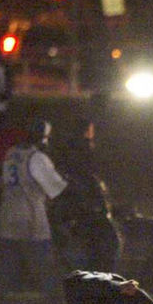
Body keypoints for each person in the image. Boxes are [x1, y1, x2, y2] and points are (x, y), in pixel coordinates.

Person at [0, 118, 69, 301]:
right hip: (31, 214)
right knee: (42, 258)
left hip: (8, 213)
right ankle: (54, 298)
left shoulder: (11, 153)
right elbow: (57, 188)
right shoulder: (37, 158)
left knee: (8, 260)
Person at [53, 116, 121, 273]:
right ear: (87, 131)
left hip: (78, 208)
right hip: (87, 207)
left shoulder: (68, 150)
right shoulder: (83, 150)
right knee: (104, 248)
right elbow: (88, 177)